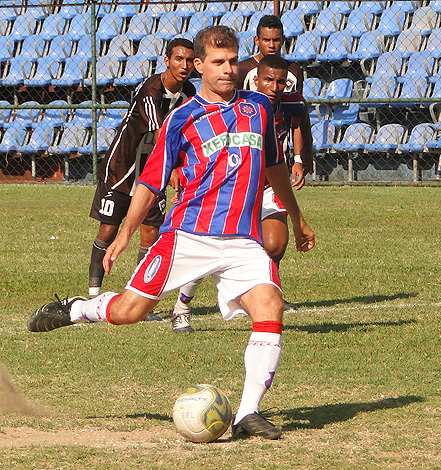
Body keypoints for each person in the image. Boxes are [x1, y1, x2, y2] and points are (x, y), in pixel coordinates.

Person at [27, 26, 315, 441]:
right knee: (129, 312)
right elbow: (151, 182)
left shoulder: (259, 108)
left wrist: (298, 217)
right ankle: (73, 309)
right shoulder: (182, 118)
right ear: (199, 66)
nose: (228, 69)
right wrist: (126, 232)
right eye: (218, 62)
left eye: (233, 61)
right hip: (188, 235)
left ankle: (248, 412)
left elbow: (274, 168)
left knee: (270, 308)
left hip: (242, 241)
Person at [171, 54, 314, 332]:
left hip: (269, 186)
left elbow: (299, 125)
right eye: (268, 80)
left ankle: (261, 295)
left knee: (275, 244)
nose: (274, 86)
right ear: (256, 80)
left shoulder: (293, 103)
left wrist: (298, 159)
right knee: (208, 249)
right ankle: (182, 306)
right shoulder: (241, 105)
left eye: (281, 82)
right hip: (233, 189)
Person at [87, 38, 196, 322]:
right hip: (123, 166)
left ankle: (137, 300)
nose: (184, 66)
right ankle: (93, 293)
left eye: (188, 60)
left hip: (155, 168)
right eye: (178, 59)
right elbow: (160, 133)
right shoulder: (152, 89)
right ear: (167, 60)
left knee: (150, 233)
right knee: (108, 230)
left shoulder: (191, 93)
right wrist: (172, 167)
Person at [237, 14, 304, 94]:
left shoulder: (294, 70)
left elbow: (297, 102)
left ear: (283, 40)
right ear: (257, 41)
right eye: (266, 40)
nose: (271, 45)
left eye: (276, 40)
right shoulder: (242, 69)